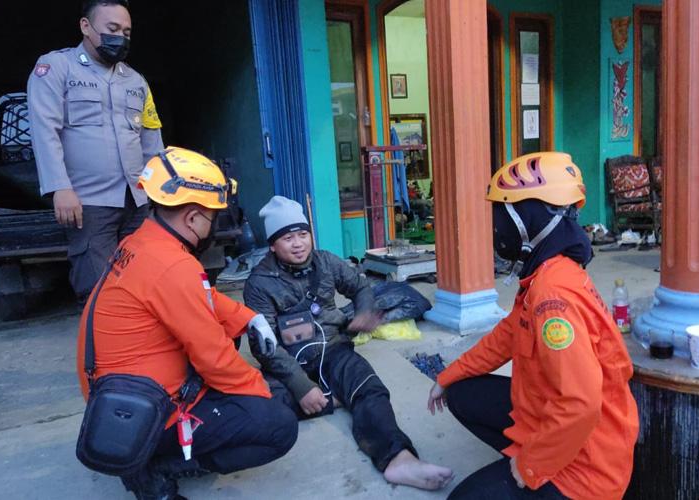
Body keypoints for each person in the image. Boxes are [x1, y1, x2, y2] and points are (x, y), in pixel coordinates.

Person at [76, 148, 298, 499]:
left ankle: (154, 454)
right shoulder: (173, 266)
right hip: (145, 411)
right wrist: (260, 391)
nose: (214, 224)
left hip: (117, 395)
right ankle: (153, 469)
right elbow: (214, 359)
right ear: (193, 217)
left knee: (264, 385)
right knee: (279, 423)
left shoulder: (142, 243)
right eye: (212, 217)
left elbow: (198, 297)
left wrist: (248, 317)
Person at [428, 152, 639, 499]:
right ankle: (529, 460)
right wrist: (447, 375)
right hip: (561, 422)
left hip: (587, 468)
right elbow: (505, 337)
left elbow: (581, 404)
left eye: (501, 214)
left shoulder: (552, 296)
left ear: (528, 218)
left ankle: (536, 476)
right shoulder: (548, 273)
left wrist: (530, 466)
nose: (496, 227)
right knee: (460, 393)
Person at [243, 195, 454, 491]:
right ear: (273, 244)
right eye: (288, 238)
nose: (298, 243)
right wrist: (301, 386)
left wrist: (365, 311)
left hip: (333, 349)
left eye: (303, 234)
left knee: (370, 388)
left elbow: (359, 286)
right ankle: (334, 397)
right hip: (287, 363)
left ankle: (398, 459)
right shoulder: (258, 283)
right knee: (263, 409)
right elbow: (264, 347)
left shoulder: (326, 262)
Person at [28, 0, 164, 302]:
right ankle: (103, 348)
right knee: (99, 288)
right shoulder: (55, 68)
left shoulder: (136, 81)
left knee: (144, 280)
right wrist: (59, 187)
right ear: (85, 27)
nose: (121, 38)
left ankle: (139, 345)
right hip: (88, 201)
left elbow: (151, 139)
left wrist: (159, 193)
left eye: (127, 32)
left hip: (137, 199)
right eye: (112, 29)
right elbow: (44, 131)